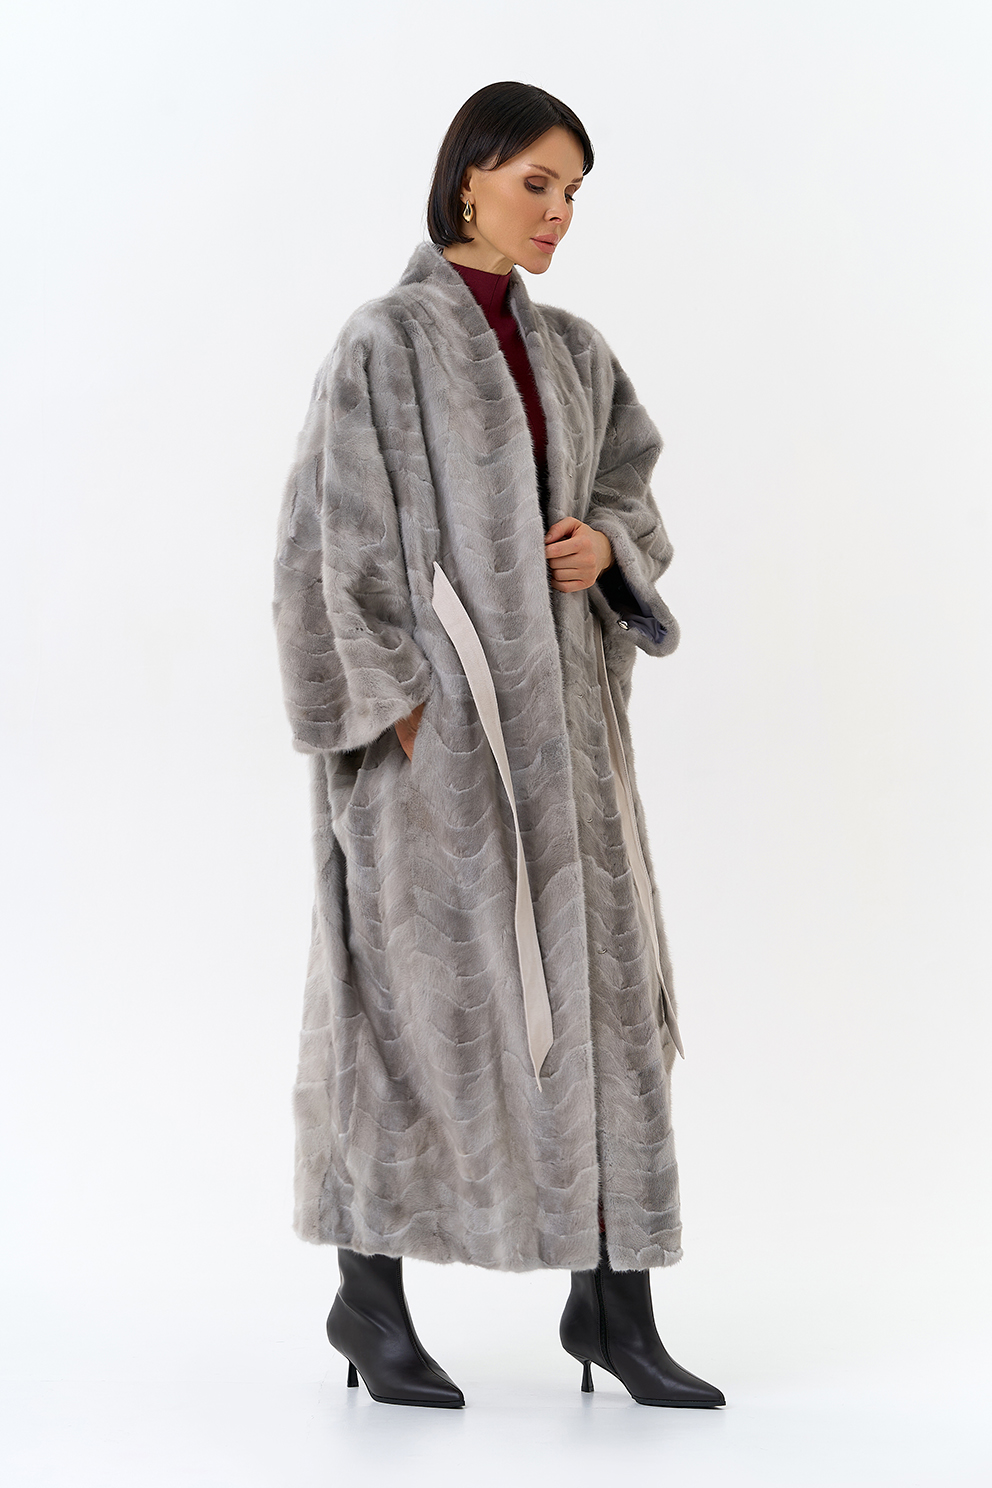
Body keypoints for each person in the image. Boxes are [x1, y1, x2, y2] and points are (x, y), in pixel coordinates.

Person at [272, 80, 724, 1411]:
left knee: (601, 1014)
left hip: (573, 752)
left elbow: (630, 485)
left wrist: (607, 544)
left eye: (573, 192)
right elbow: (324, 544)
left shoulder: (575, 350)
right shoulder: (383, 343)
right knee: (412, 1017)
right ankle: (368, 1303)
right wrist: (401, 712)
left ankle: (614, 1307)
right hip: (435, 764)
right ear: (468, 175)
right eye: (538, 183)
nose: (559, 212)